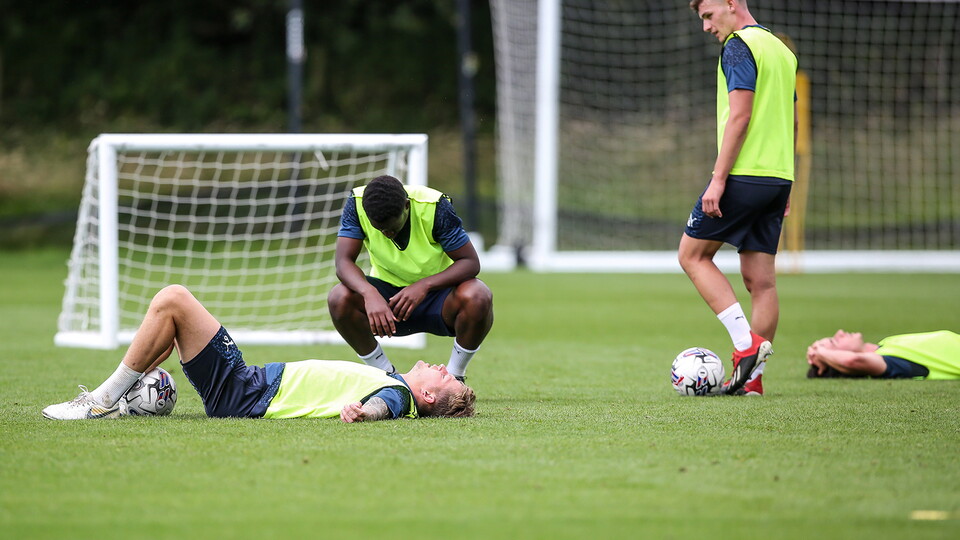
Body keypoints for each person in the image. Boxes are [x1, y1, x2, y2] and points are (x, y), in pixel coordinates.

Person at [42, 285, 475, 421]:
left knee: (174, 299)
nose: (442, 365)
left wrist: (367, 414)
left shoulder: (399, 396)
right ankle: (124, 404)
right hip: (247, 385)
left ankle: (100, 402)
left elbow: (386, 406)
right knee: (173, 321)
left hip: (246, 392)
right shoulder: (395, 381)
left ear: (430, 397)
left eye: (446, 375)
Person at [678, 0, 798, 396]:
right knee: (761, 282)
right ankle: (752, 382)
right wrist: (786, 184)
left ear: (731, 3)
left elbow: (741, 116)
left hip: (744, 176)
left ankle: (746, 344)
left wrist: (717, 179)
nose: (707, 27)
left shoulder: (738, 45)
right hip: (777, 177)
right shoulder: (781, 49)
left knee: (692, 255)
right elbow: (792, 121)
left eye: (709, 16)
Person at [328, 174, 494, 381]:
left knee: (478, 294)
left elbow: (470, 262)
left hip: (438, 298)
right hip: (388, 304)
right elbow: (343, 262)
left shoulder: (435, 207)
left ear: (406, 205)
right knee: (339, 296)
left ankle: (455, 377)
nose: (387, 234)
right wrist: (369, 293)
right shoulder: (357, 204)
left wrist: (424, 285)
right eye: (380, 229)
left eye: (392, 227)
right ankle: (386, 377)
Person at [806, 329, 960, 380]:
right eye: (834, 341)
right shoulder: (891, 362)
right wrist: (820, 352)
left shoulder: (887, 344)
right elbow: (852, 361)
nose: (839, 332)